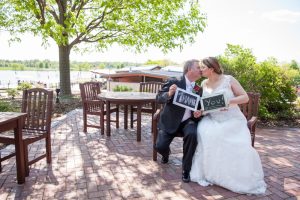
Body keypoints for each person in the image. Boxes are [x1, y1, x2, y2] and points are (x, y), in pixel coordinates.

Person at [190, 57, 266, 194]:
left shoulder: (228, 79)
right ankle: (211, 173)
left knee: (222, 135)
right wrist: (200, 111)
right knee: (203, 130)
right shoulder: (203, 84)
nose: (200, 70)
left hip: (232, 119)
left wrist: (228, 101)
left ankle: (232, 176)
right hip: (212, 119)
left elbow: (245, 97)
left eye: (203, 68)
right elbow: (206, 105)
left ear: (211, 69)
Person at [155, 59, 202, 183]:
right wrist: (169, 93)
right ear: (189, 69)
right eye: (198, 67)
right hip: (170, 121)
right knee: (160, 146)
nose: (201, 70)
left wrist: (198, 113)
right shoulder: (174, 81)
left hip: (188, 122)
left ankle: (186, 170)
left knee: (192, 134)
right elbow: (158, 98)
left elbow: (198, 108)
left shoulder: (198, 88)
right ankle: (166, 154)